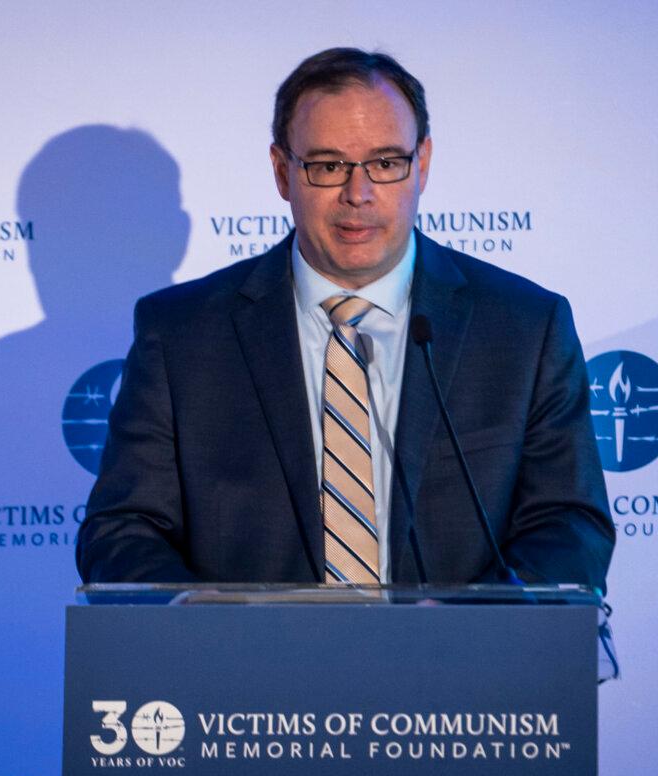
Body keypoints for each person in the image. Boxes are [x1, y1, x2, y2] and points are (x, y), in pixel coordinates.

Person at [76, 47, 614, 589]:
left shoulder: (523, 328)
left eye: (385, 163)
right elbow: (124, 530)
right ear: (282, 171)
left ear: (421, 164)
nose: (358, 195)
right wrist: (206, 622)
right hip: (249, 668)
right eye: (327, 165)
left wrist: (470, 624)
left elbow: (570, 525)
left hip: (461, 668)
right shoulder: (182, 335)